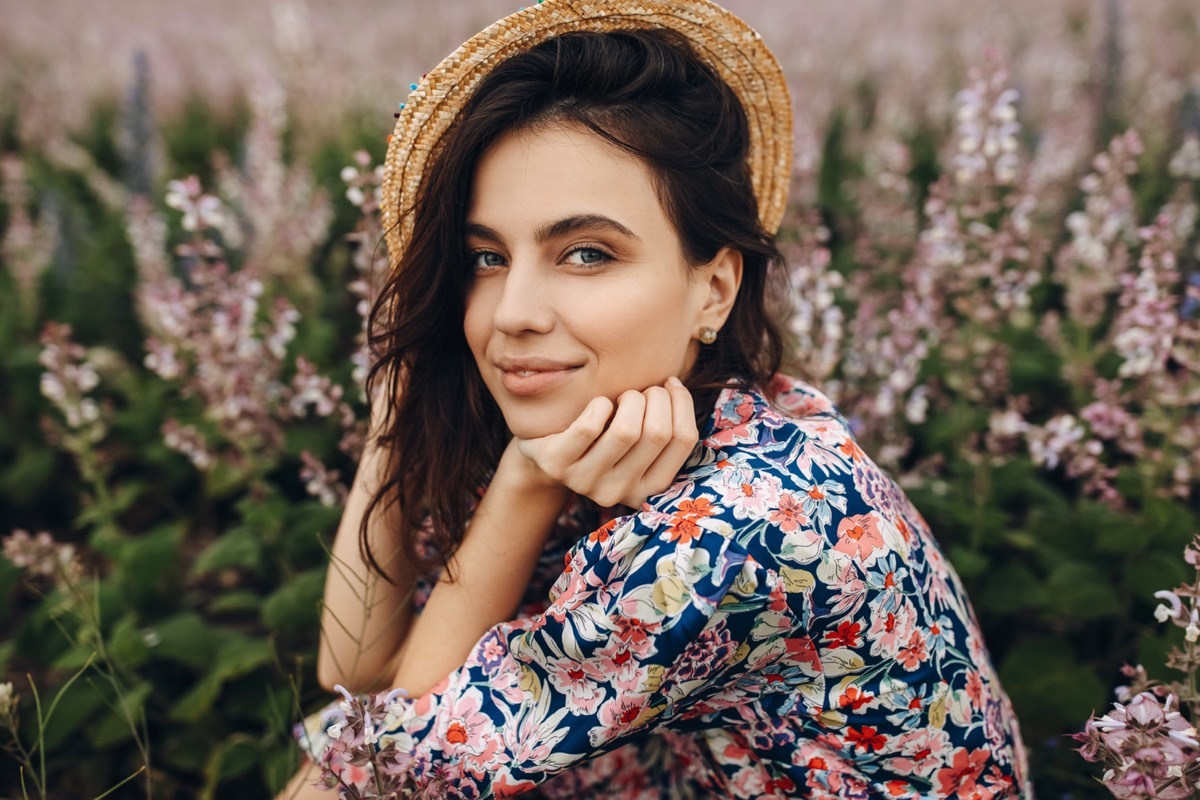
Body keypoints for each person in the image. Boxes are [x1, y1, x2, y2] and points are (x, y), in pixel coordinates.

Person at [280, 1, 1031, 797]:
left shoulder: (735, 528)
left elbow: (381, 768)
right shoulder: (641, 424)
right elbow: (355, 669)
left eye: (587, 253)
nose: (512, 313)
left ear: (713, 288)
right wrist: (397, 409)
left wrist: (523, 486)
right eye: (486, 258)